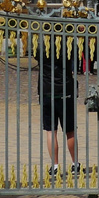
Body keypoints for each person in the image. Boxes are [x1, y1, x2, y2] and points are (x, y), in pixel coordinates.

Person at [37, 38, 77, 180]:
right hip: (65, 89)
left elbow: (37, 57)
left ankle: (55, 165)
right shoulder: (68, 43)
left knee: (51, 131)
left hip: (47, 89)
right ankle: (74, 163)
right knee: (70, 131)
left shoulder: (41, 43)